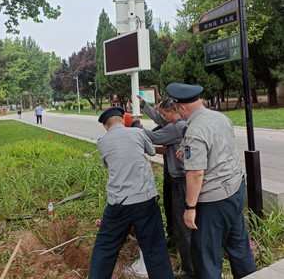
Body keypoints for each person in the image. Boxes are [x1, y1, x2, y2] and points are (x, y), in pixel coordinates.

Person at [166, 83, 257, 279]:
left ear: (182, 108)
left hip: (214, 201)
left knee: (206, 255)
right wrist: (187, 148)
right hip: (235, 189)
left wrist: (190, 208)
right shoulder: (220, 117)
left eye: (178, 110)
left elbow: (196, 174)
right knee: (238, 244)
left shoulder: (194, 131)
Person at [88, 106, 174, 279]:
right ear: (123, 120)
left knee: (105, 247)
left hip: (119, 204)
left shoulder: (102, 142)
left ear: (106, 126)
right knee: (155, 248)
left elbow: (108, 164)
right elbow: (151, 151)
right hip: (145, 201)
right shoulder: (137, 133)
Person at [137, 95, 195, 279]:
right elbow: (161, 123)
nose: (162, 118)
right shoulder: (180, 124)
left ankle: (191, 271)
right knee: (180, 223)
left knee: (182, 227)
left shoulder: (176, 127)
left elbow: (153, 136)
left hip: (181, 180)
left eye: (164, 113)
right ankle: (192, 264)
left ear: (173, 111)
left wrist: (136, 127)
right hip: (181, 179)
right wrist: (144, 106)